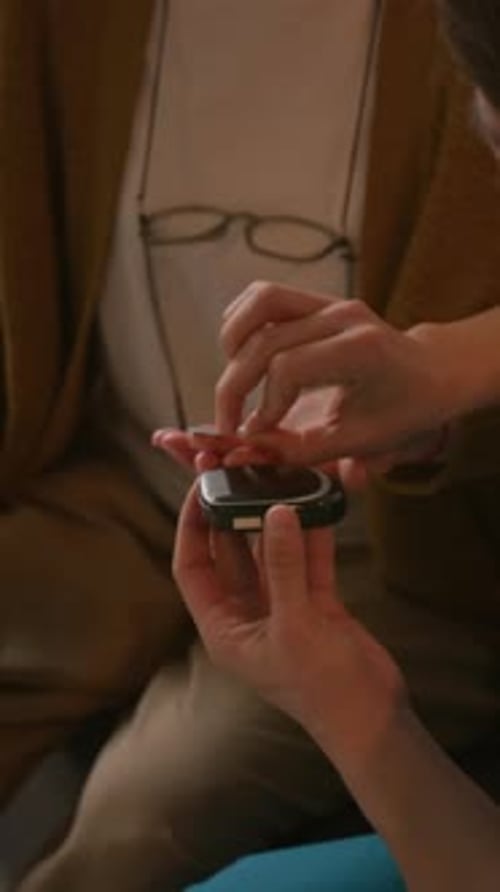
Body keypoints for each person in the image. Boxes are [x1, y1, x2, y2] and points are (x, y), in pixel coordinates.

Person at [5, 2, 500, 891]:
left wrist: (354, 707)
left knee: (132, 830)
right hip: (112, 491)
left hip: (395, 561)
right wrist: (446, 367)